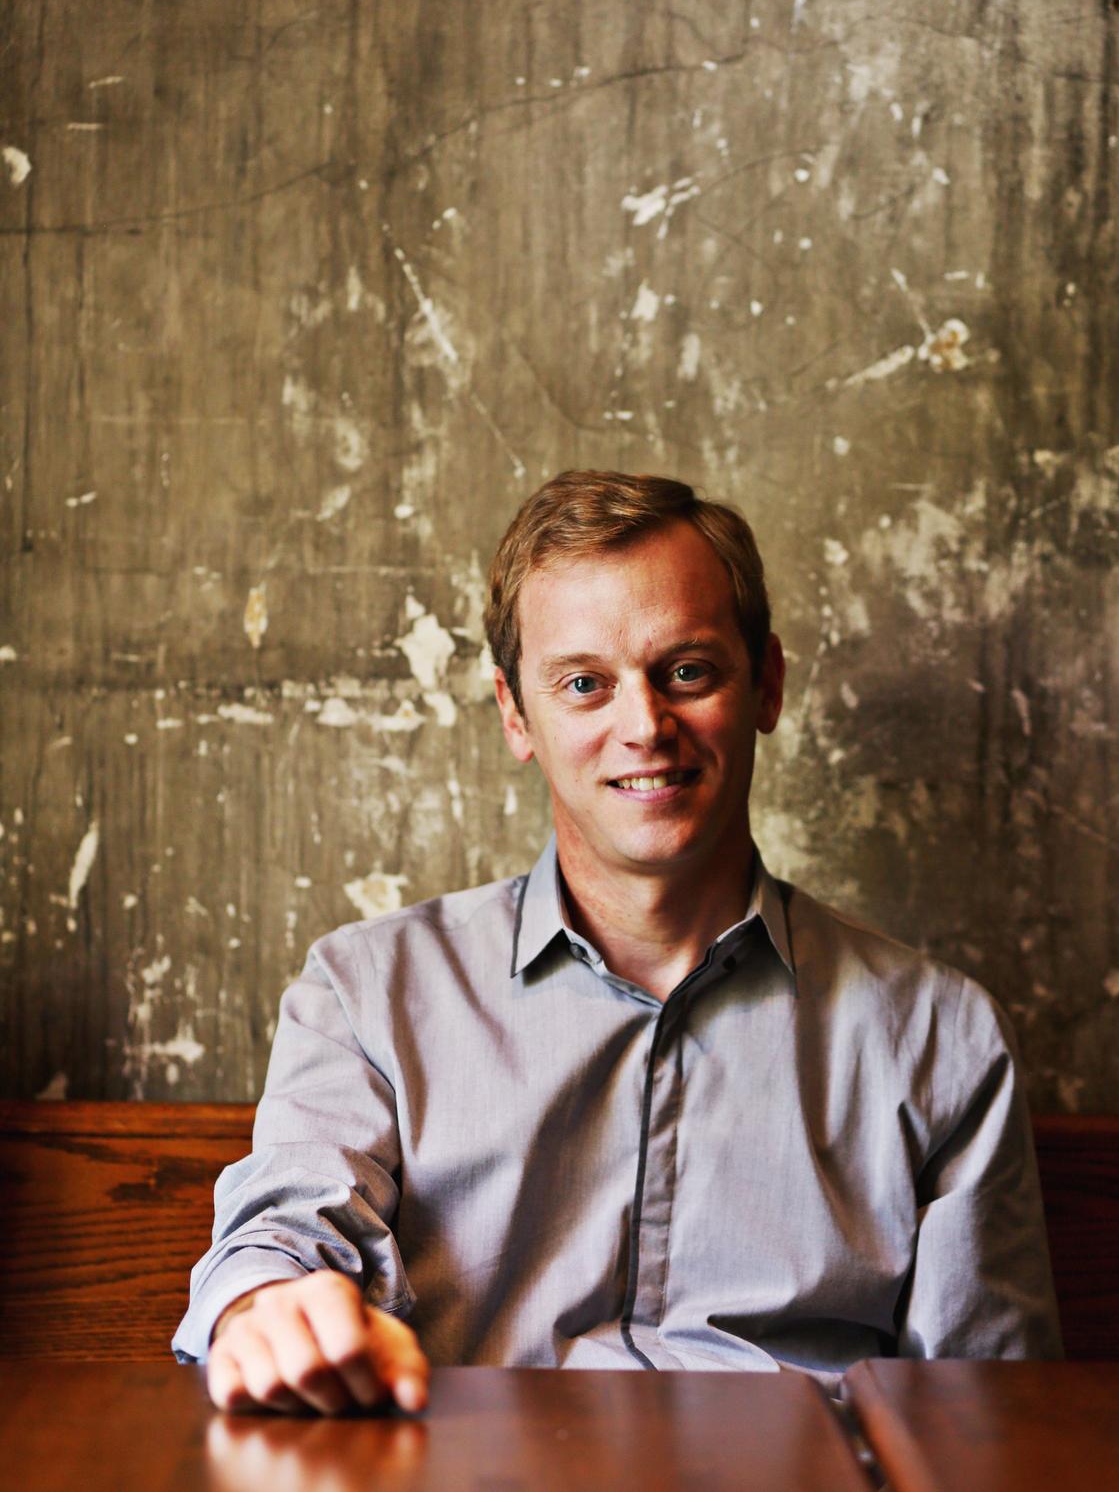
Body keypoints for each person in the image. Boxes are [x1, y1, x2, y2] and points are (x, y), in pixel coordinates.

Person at [174, 470, 1062, 1414]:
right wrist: (269, 1302)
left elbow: (986, 1418)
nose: (645, 726)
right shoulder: (365, 993)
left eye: (687, 670)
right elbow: (285, 1234)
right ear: (517, 714)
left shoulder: (942, 1036)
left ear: (767, 684)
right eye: (585, 684)